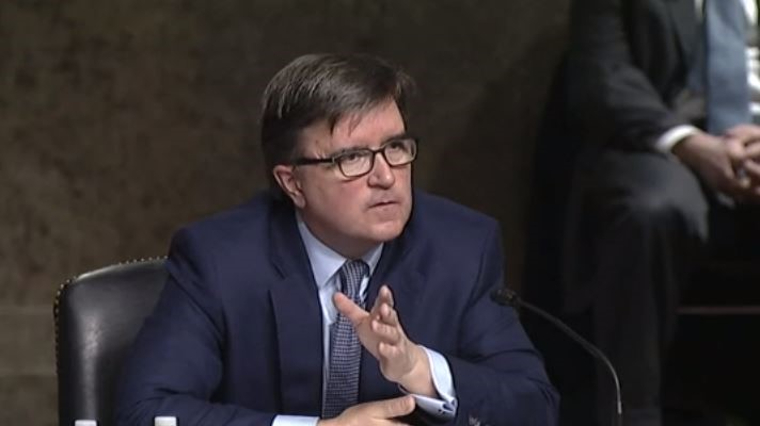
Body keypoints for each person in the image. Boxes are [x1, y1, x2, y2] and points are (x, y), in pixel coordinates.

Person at [116, 53, 558, 426]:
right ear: (293, 183)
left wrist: (419, 368)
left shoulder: (460, 248)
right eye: (353, 158)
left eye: (395, 148)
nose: (386, 176)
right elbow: (146, 411)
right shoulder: (220, 259)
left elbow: (534, 407)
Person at [562, 0, 760, 424]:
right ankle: (633, 415)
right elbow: (602, 74)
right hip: (663, 145)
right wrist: (690, 143)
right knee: (652, 210)